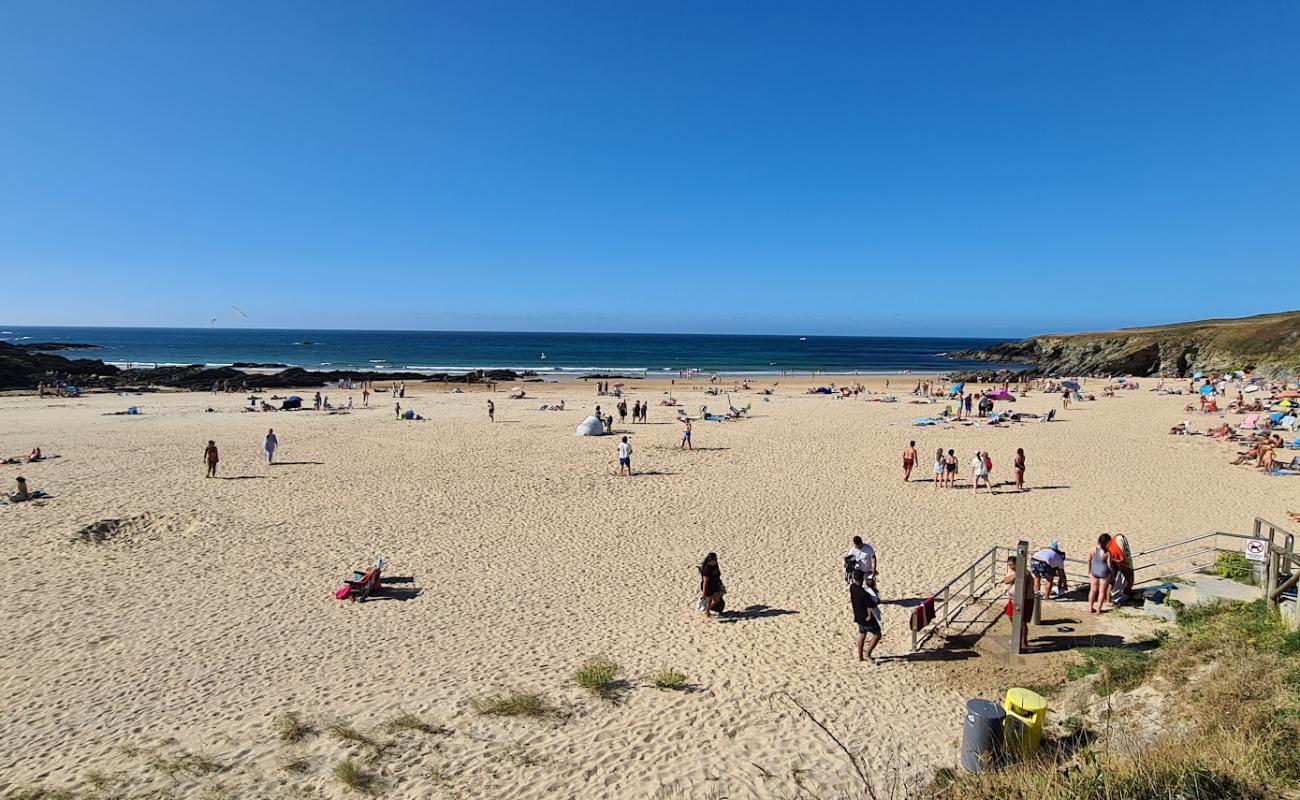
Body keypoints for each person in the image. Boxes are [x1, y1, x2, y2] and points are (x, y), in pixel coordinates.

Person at [1002, 556, 1034, 651]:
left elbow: (1025, 589)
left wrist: (1015, 576)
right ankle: (1016, 635)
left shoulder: (1025, 573)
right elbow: (1006, 581)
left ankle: (1024, 642)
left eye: (1011, 565)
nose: (1009, 567)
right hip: (1013, 599)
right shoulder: (1013, 571)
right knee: (1011, 616)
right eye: (1008, 565)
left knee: (1022, 621)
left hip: (1025, 599)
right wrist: (1014, 575)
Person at [850, 570, 882, 662]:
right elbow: (872, 604)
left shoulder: (852, 587)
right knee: (877, 634)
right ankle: (867, 653)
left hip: (858, 617)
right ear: (861, 579)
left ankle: (860, 656)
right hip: (866, 619)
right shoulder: (863, 593)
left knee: (862, 634)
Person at [1089, 534, 1115, 615]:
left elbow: (1089, 560)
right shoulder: (1107, 552)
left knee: (1092, 591)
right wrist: (1113, 573)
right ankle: (1098, 610)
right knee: (1102, 592)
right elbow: (1109, 565)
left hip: (1094, 572)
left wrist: (1089, 571)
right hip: (1104, 572)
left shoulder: (1092, 549)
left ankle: (1090, 608)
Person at [1107, 532, 1135, 602]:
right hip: (1115, 566)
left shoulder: (1111, 546)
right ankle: (1110, 600)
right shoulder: (1116, 549)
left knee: (1110, 583)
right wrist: (1125, 570)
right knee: (1112, 583)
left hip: (1111, 566)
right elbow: (1120, 561)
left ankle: (1108, 599)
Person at [699, 553, 724, 617]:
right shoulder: (706, 569)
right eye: (713, 561)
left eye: (715, 560)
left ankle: (707, 610)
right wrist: (704, 594)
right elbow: (705, 582)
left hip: (715, 585)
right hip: (708, 587)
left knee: (717, 599)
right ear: (709, 561)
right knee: (709, 600)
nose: (714, 562)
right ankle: (707, 612)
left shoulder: (715, 564)